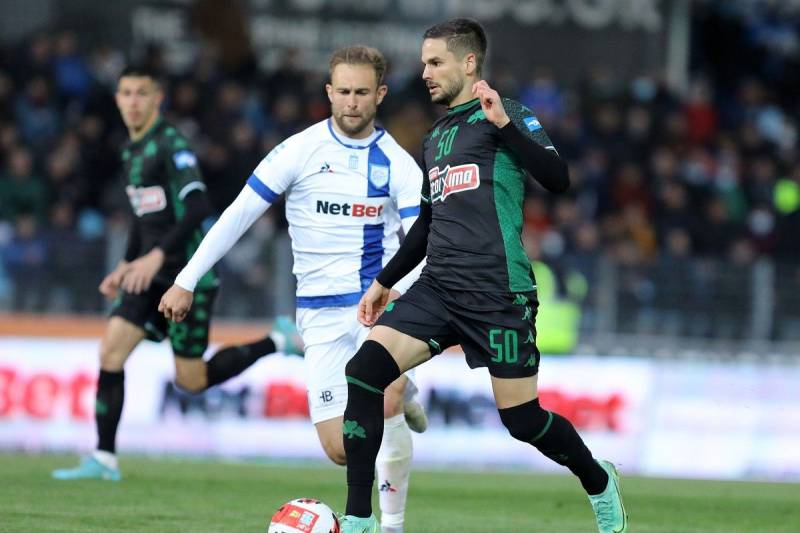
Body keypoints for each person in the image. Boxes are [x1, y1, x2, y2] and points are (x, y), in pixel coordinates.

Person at [338, 19, 628, 533]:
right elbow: (428, 222)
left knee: (523, 420)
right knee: (364, 371)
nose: (425, 73)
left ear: (468, 62)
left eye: (435, 62)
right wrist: (384, 281)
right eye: (424, 63)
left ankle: (598, 479)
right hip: (438, 288)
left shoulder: (505, 113)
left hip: (497, 292)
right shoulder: (435, 137)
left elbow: (559, 179)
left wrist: (505, 126)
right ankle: (359, 519)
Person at [158, 46, 427, 533]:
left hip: (377, 306)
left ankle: (389, 525)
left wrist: (399, 290)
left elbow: (420, 241)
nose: (351, 101)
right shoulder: (299, 150)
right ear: (329, 92)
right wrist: (185, 279)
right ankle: (403, 389)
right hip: (319, 315)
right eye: (343, 91)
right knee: (341, 449)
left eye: (362, 92)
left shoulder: (399, 165)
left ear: (380, 95)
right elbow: (238, 214)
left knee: (383, 400)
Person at [52, 66, 300, 482]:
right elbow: (142, 218)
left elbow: (198, 207)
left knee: (192, 379)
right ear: (117, 99)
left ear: (157, 98)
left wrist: (155, 258)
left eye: (141, 93)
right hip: (147, 276)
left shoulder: (172, 145)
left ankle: (277, 340)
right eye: (126, 93)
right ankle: (104, 458)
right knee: (110, 352)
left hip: (187, 277)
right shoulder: (131, 150)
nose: (133, 101)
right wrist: (127, 263)